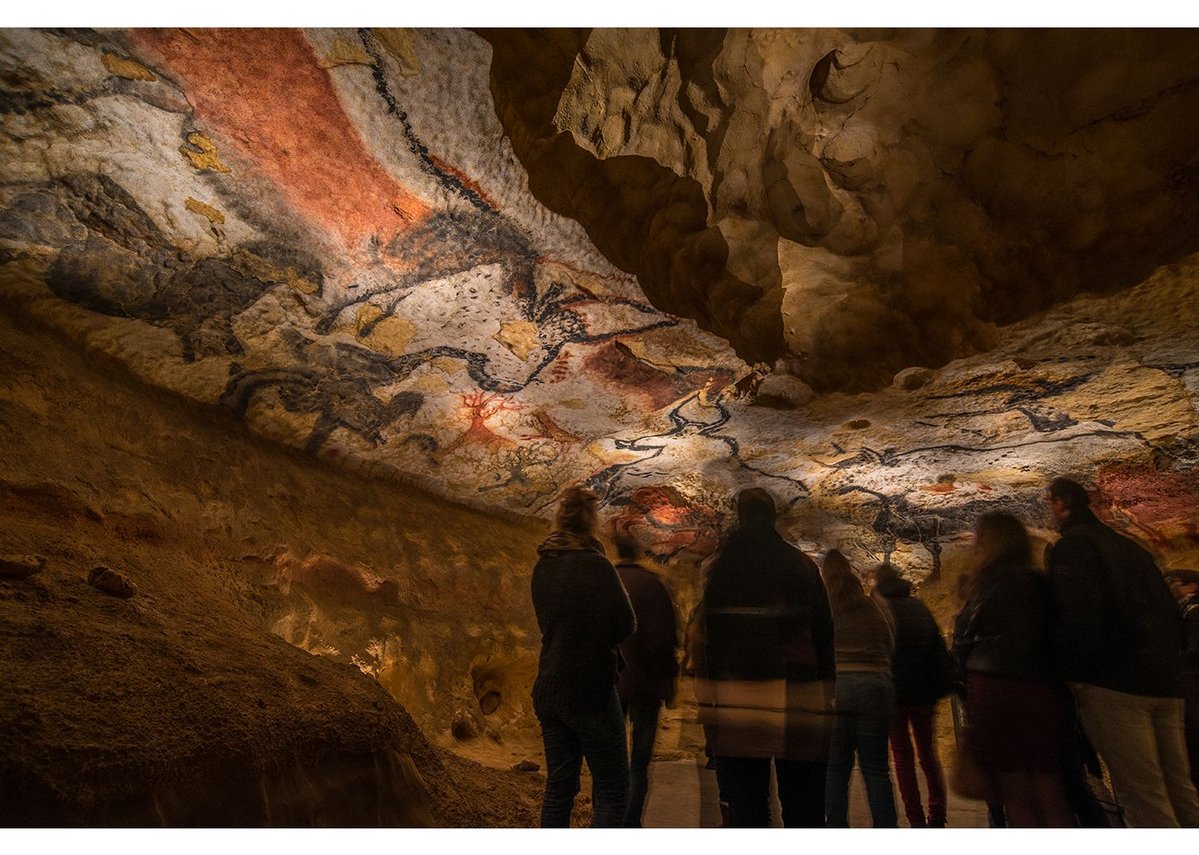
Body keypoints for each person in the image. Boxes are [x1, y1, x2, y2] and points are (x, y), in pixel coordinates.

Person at [1045, 477, 1199, 827]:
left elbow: (1080, 614)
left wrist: (1074, 675)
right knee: (1180, 788)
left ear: (1061, 503)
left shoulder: (1075, 546)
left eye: (1049, 502)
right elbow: (1170, 611)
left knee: (1142, 796)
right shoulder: (1133, 548)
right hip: (1164, 682)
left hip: (1115, 683)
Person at [695, 487, 835, 827]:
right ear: (773, 516)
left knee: (746, 804)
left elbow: (712, 638)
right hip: (797, 686)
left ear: (740, 517)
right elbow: (823, 631)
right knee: (805, 803)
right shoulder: (802, 564)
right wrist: (828, 688)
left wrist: (711, 698)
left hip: (742, 689)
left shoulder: (723, 567)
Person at [953, 511, 1074, 826]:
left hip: (995, 687)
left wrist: (962, 682)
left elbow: (966, 638)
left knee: (1014, 789)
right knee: (1048, 783)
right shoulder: (1037, 580)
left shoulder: (987, 580)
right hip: (1039, 687)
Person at [530, 487, 637, 827]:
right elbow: (626, 623)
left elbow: (548, 623)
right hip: (589, 688)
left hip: (549, 685)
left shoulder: (542, 567)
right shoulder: (597, 565)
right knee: (612, 788)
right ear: (591, 522)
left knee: (559, 788)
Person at [822, 550, 899, 827]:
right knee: (876, 770)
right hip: (875, 687)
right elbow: (890, 643)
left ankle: (836, 828)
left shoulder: (826, 608)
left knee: (836, 770)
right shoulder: (871, 605)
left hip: (840, 688)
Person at [873, 561, 951, 828]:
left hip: (894, 695)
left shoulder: (880, 611)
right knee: (928, 754)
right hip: (923, 694)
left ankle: (916, 819)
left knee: (902, 759)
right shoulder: (919, 607)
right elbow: (937, 649)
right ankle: (938, 815)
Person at [612, 531, 680, 827]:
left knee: (611, 761)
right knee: (639, 762)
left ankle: (609, 821)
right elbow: (664, 640)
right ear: (639, 552)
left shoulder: (608, 581)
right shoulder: (654, 585)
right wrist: (669, 682)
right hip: (647, 685)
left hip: (612, 683)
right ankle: (630, 823)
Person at [1164, 568, 1199, 793]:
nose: (1169, 588)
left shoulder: (1193, 611)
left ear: (1191, 585)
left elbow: (1194, 649)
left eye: (1173, 582)